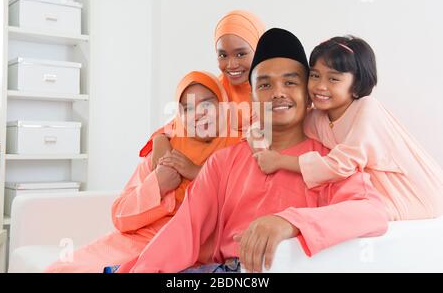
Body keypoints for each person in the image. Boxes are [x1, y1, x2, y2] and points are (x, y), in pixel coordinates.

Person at [116, 28, 389, 273]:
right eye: (265, 85)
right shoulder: (224, 162)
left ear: (308, 95)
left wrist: (289, 222)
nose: (278, 93)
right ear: (253, 99)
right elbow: (184, 231)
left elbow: (371, 212)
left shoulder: (325, 161)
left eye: (291, 82)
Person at [45, 71, 240, 272]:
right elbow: (120, 216)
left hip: (182, 252)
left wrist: (199, 173)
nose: (198, 114)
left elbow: (240, 207)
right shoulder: (165, 152)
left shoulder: (239, 152)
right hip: (133, 244)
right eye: (188, 108)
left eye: (207, 104)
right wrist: (157, 185)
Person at [251, 36, 443, 221]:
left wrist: (280, 161)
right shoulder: (319, 117)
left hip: (414, 193)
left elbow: (339, 165)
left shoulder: (368, 109)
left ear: (356, 85)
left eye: (333, 79)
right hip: (374, 191)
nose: (320, 86)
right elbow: (268, 123)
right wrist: (259, 148)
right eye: (315, 76)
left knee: (345, 217)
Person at [142, 10, 265, 170]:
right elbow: (179, 121)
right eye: (222, 55)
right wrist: (160, 138)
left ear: (259, 49)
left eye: (241, 54)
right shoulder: (216, 88)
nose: (231, 64)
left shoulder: (272, 91)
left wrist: (196, 171)